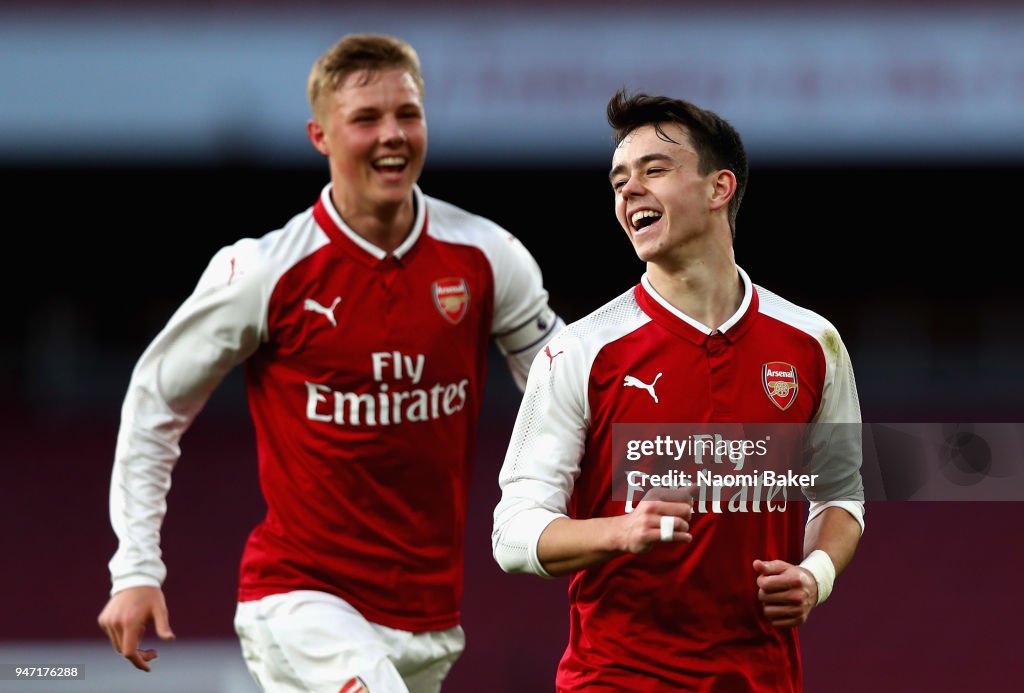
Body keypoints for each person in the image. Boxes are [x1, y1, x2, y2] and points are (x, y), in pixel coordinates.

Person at [97, 33, 563, 693]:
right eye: (366, 119)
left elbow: (569, 390)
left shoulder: (487, 255)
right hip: (300, 600)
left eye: (407, 113)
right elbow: (154, 402)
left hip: (427, 615)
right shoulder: (264, 270)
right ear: (320, 135)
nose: (392, 135)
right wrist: (136, 567)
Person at [492, 90, 865, 691]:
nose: (628, 190)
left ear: (719, 189)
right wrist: (620, 531)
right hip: (616, 676)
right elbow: (512, 533)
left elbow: (840, 494)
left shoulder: (812, 342)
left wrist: (816, 574)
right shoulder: (580, 352)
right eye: (619, 180)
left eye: (653, 171)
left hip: (762, 675)